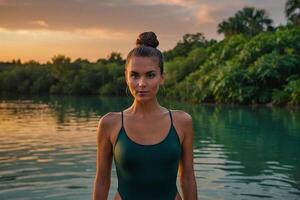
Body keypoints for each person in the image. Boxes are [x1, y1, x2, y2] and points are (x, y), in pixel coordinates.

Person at [93, 31, 197, 200]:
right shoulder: (109, 123)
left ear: (162, 78)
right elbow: (102, 180)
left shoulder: (182, 121)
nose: (141, 84)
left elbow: (187, 177)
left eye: (150, 75)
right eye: (134, 75)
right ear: (126, 78)